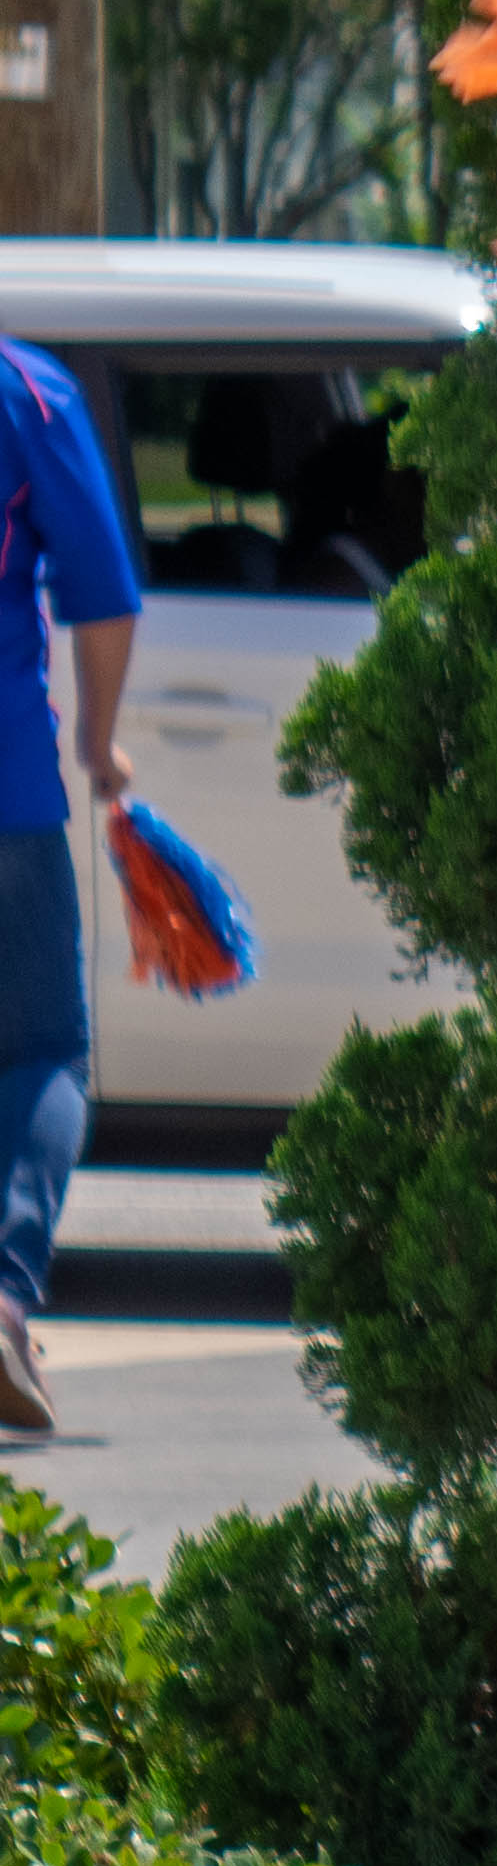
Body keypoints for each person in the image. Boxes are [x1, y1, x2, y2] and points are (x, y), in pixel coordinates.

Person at [0, 345, 136, 1439]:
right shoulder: (29, 390)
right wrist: (98, 739)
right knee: (44, 1047)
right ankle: (2, 1294)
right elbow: (103, 589)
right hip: (5, 793)